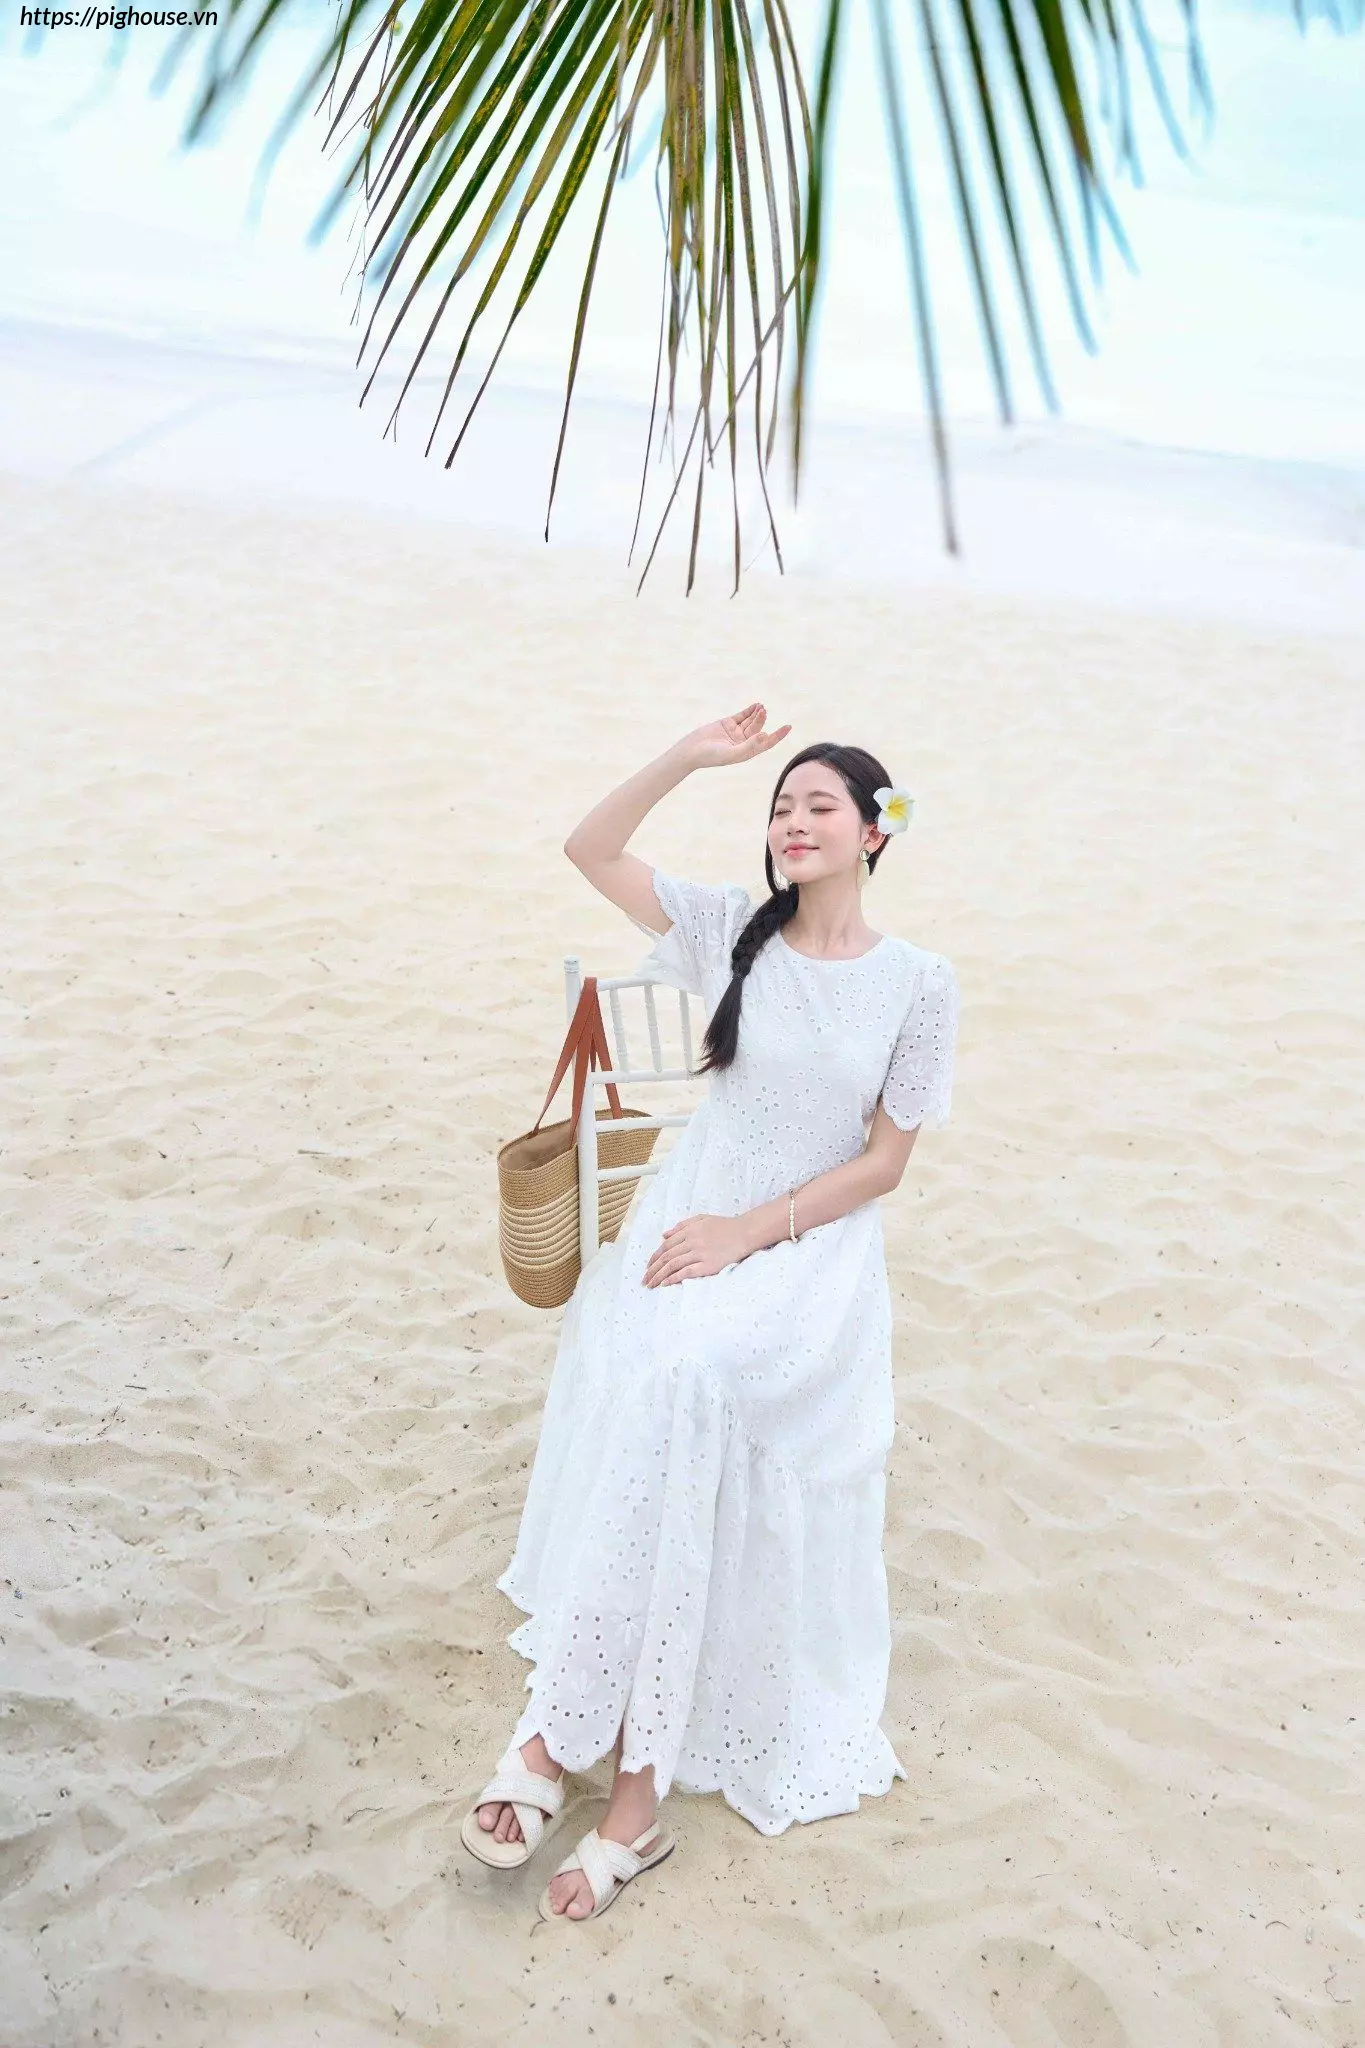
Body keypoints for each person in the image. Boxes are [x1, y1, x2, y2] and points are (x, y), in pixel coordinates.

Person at [461, 703, 959, 1923]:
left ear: (874, 832)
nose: (793, 821)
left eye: (820, 804)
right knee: (675, 1375)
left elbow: (885, 1163)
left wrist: (753, 1230)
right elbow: (589, 847)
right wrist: (690, 756)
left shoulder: (919, 982)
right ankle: (573, 1753)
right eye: (780, 806)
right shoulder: (733, 929)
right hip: (691, 1212)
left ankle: (608, 1775)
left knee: (695, 1380)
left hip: (805, 1245)